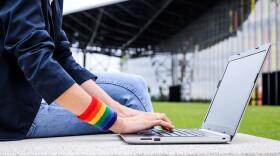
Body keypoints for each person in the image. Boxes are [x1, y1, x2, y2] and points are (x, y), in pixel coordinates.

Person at [0, 0, 174, 141]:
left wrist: (120, 110)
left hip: (27, 94)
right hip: (11, 113)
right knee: (132, 97)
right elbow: (37, 61)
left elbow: (61, 57)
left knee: (134, 86)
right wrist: (116, 122)